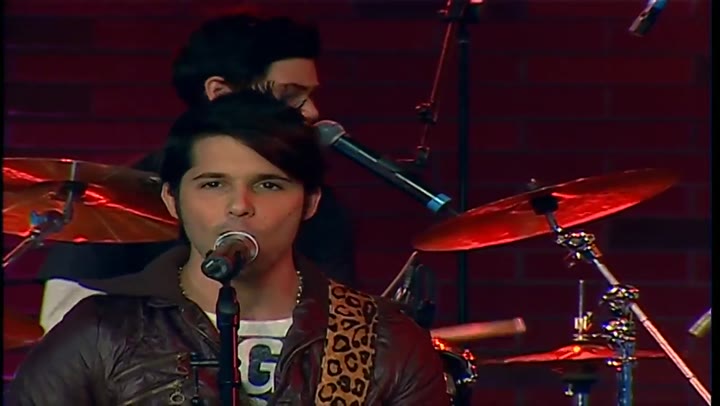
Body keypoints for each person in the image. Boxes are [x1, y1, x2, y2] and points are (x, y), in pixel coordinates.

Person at [6, 89, 449, 405]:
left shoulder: (385, 340)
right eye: (213, 184)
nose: (240, 205)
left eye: (269, 184)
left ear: (310, 202)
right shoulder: (99, 331)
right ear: (172, 199)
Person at [37, 12, 356, 334]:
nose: (311, 111)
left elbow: (338, 324)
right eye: (289, 95)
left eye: (269, 186)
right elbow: (63, 326)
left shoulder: (321, 208)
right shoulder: (113, 198)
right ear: (220, 93)